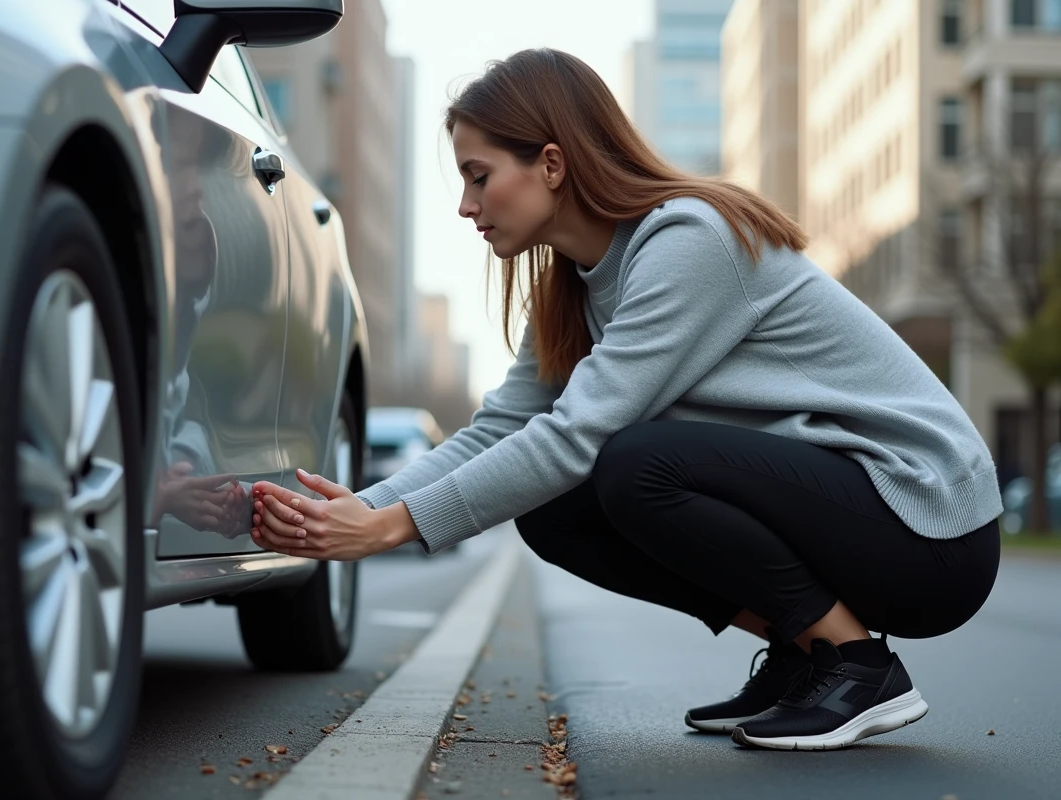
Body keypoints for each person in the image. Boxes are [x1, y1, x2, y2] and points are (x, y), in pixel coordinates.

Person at [247, 48, 1002, 751]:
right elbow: (499, 430)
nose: (466, 206)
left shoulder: (689, 240)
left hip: (927, 523)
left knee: (634, 462)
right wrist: (352, 510)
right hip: (851, 513)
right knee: (551, 508)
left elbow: (576, 434)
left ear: (551, 164)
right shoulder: (571, 290)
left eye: (479, 176)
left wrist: (388, 529)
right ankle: (805, 651)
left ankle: (855, 664)